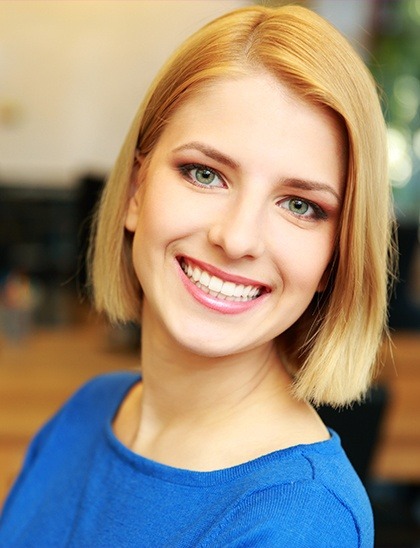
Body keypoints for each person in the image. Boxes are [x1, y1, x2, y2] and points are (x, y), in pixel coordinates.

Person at [0, 4, 394, 546]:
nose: (236, 239)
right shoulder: (87, 412)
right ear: (137, 192)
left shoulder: (301, 522)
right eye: (204, 174)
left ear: (336, 256)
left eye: (300, 205)